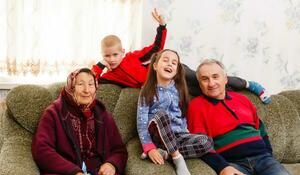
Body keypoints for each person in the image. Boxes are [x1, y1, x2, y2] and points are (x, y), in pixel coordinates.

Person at [91, 9, 271, 104]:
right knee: (203, 91)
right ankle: (235, 96)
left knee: (203, 79)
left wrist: (162, 27)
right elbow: (93, 80)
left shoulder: (132, 57)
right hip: (167, 85)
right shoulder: (110, 76)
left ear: (122, 52)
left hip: (176, 71)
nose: (112, 59)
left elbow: (156, 48)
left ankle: (248, 84)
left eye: (115, 54)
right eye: (108, 56)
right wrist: (100, 65)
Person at [187, 59, 300, 175]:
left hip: (263, 160)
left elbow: (262, 130)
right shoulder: (196, 106)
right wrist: (223, 167)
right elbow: (200, 145)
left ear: (225, 79)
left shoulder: (242, 99)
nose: (211, 83)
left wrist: (268, 155)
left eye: (215, 76)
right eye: (205, 79)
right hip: (233, 164)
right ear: (200, 84)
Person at [32, 68, 131, 175]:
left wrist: (112, 164)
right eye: (80, 84)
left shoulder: (101, 113)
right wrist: (73, 172)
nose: (87, 90)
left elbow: (119, 149)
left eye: (91, 84)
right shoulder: (53, 113)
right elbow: (41, 151)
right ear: (71, 87)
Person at [136, 49, 214, 175]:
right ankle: (177, 158)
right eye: (165, 60)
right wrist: (149, 147)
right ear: (155, 66)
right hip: (158, 134)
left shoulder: (180, 90)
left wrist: (186, 132)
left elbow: (182, 115)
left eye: (174, 63)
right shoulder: (147, 90)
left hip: (177, 135)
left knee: (206, 141)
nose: (169, 64)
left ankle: (167, 154)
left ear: (177, 70)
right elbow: (141, 121)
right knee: (162, 115)